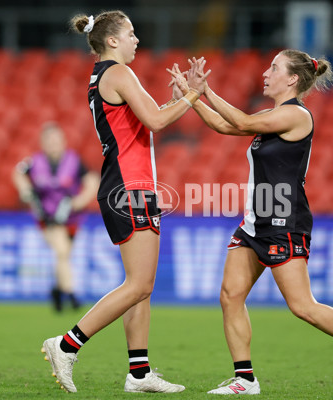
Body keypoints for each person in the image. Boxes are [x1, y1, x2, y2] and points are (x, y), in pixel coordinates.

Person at [170, 52, 333, 396]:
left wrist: (205, 91)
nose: (266, 72)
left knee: (302, 306)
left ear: (292, 79)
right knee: (230, 295)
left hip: (284, 221)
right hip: (255, 222)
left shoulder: (296, 115)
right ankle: (245, 379)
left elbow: (241, 122)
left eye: (274, 67)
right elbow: (224, 126)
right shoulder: (273, 115)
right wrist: (191, 95)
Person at [40, 10, 209, 394]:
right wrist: (195, 95)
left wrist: (179, 95)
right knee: (138, 284)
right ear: (112, 40)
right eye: (131, 33)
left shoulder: (105, 75)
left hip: (128, 184)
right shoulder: (118, 73)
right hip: (129, 186)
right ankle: (66, 345)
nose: (137, 39)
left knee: (140, 286)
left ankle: (138, 372)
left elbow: (142, 120)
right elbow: (157, 122)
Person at [13, 121, 99, 312]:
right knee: (61, 251)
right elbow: (18, 173)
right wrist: (25, 190)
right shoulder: (34, 162)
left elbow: (92, 181)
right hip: (48, 217)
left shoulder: (74, 161)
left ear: (63, 141)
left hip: (72, 218)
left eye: (56, 140)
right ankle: (71, 294)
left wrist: (81, 200)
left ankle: (57, 291)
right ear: (42, 143)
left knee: (64, 255)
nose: (53, 144)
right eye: (49, 140)